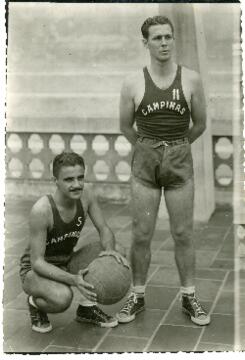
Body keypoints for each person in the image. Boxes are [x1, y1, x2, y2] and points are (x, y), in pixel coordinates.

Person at [117, 15, 210, 326]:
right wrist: (147, 148)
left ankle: (189, 296)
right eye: (157, 38)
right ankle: (137, 295)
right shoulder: (133, 82)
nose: (164, 43)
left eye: (168, 37)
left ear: (174, 39)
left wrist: (176, 148)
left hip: (179, 162)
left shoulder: (191, 79)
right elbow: (125, 126)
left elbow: (199, 125)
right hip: (145, 163)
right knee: (141, 233)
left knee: (182, 233)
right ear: (146, 43)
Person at [19, 151, 126, 333]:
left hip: (66, 261)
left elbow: (104, 229)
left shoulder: (87, 195)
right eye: (69, 180)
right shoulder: (42, 210)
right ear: (56, 181)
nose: (77, 185)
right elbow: (37, 262)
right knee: (62, 298)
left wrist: (110, 250)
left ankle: (86, 309)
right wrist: (73, 280)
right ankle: (35, 303)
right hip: (35, 271)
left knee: (117, 251)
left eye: (80, 178)